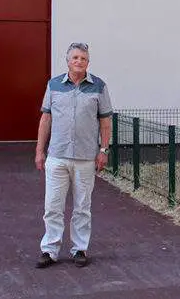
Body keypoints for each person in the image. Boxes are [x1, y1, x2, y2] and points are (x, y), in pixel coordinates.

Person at [35, 42, 113, 269]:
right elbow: (45, 119)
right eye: (75, 57)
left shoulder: (98, 86)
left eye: (83, 58)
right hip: (57, 156)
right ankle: (49, 250)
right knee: (52, 205)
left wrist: (103, 150)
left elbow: (105, 121)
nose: (79, 61)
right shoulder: (54, 85)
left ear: (88, 62)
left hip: (86, 158)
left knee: (82, 206)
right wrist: (40, 151)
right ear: (68, 60)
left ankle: (80, 248)